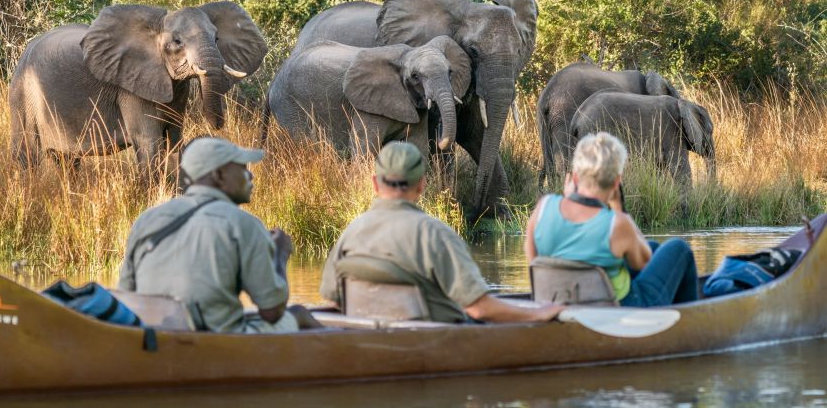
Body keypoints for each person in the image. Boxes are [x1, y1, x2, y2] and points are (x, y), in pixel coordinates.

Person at [321, 141, 563, 323]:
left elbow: (333, 301)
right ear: (422, 185)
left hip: (368, 340)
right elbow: (479, 308)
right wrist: (539, 313)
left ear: (375, 183)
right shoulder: (434, 234)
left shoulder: (351, 232)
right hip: (434, 341)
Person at [119, 137, 319, 333]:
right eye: (242, 168)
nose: (251, 176)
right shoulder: (244, 224)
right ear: (218, 175)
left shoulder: (146, 220)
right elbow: (272, 312)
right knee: (299, 313)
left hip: (155, 338)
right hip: (217, 342)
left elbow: (126, 296)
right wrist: (280, 254)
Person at [524, 132, 699, 307]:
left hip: (553, 302)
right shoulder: (617, 224)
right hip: (617, 309)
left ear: (576, 177)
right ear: (616, 182)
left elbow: (533, 261)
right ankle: (689, 318)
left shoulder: (543, 207)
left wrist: (568, 198)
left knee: (653, 247)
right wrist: (617, 207)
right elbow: (644, 264)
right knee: (679, 248)